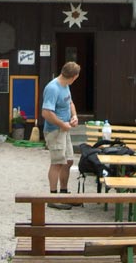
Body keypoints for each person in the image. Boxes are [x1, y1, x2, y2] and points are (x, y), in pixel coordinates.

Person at [41, 61, 81, 210]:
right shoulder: (53, 88)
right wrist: (61, 124)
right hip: (55, 130)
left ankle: (63, 194)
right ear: (74, 77)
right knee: (57, 162)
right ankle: (53, 197)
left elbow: (70, 102)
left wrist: (74, 116)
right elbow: (46, 113)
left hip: (65, 129)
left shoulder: (66, 86)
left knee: (68, 161)